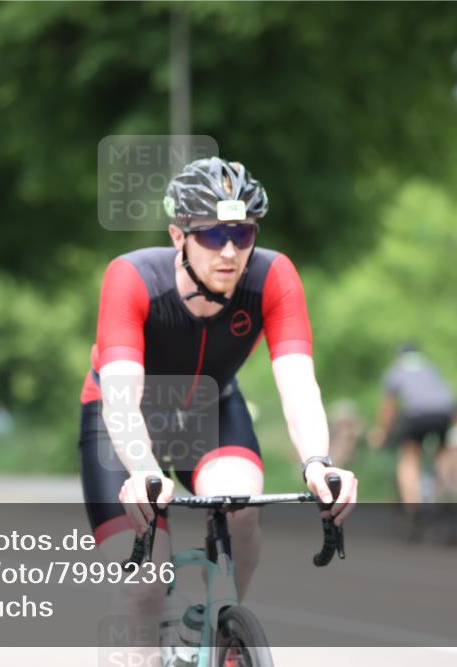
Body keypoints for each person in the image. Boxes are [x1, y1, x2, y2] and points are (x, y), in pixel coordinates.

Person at [78, 157, 358, 662]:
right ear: (178, 236)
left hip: (209, 409)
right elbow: (121, 395)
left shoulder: (273, 275)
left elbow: (298, 383)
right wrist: (142, 469)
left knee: (242, 509)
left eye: (242, 233)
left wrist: (318, 463)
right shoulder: (132, 276)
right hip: (120, 419)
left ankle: (217, 631)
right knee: (143, 587)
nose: (230, 251)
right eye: (211, 235)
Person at [368, 342, 457, 536]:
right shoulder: (430, 366)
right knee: (441, 455)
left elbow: (389, 407)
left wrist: (381, 432)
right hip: (443, 414)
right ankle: (448, 494)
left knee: (409, 459)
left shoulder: (396, 370)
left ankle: (413, 512)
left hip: (416, 415)